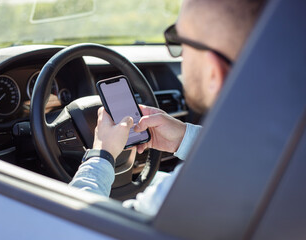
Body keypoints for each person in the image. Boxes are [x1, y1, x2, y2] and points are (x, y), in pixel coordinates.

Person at [70, 0, 267, 216]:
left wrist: (101, 155)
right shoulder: (280, 142)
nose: (180, 55)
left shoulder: (185, 192)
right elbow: (238, 151)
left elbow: (71, 227)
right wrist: (184, 137)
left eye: (180, 41)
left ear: (213, 73)